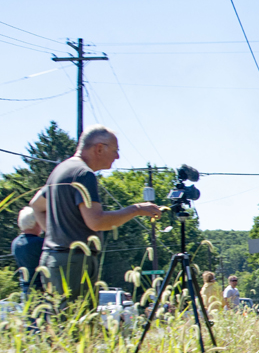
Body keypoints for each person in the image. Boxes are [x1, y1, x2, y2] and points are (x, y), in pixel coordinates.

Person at [29, 125, 161, 302]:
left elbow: (36, 205)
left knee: (61, 324)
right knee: (79, 325)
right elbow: (96, 221)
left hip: (52, 259)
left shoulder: (61, 170)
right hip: (74, 264)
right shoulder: (84, 174)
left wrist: (57, 236)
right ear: (99, 148)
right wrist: (136, 209)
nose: (117, 156)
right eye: (115, 150)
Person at [11, 206, 44, 298]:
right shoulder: (40, 243)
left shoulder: (15, 243)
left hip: (25, 290)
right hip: (40, 291)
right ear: (36, 223)